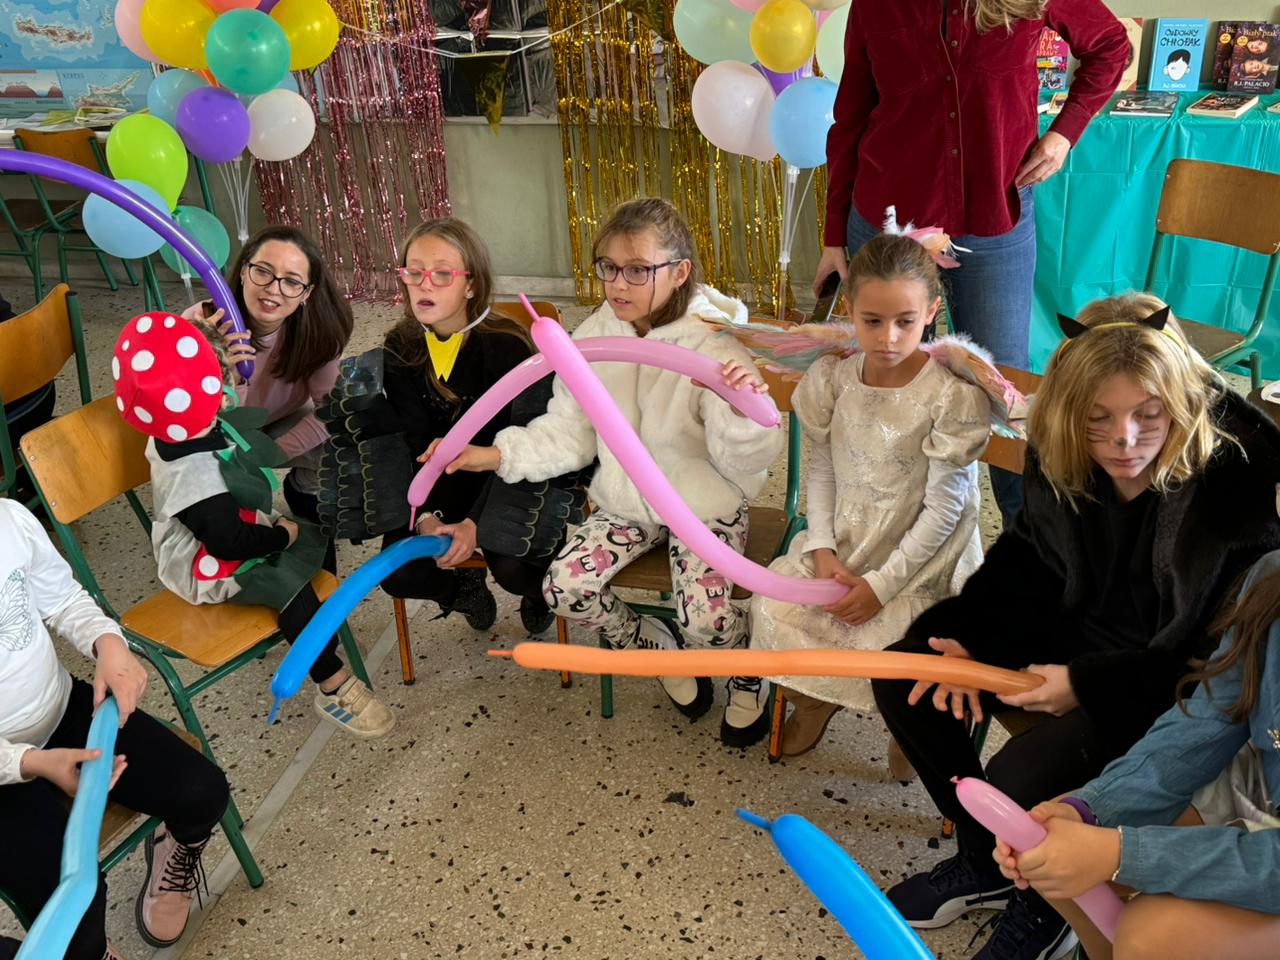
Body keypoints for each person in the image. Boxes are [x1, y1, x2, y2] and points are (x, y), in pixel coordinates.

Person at [870, 294, 1280, 960]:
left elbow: (1212, 662)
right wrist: (974, 636)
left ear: (1177, 402)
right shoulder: (1061, 442)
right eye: (1098, 419)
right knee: (908, 678)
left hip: (1162, 675)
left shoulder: (1239, 473)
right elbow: (1029, 557)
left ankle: (1045, 907)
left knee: (1018, 779)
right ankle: (986, 860)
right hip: (1076, 639)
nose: (1123, 441)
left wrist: (1087, 686)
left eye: (1148, 416)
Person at [428, 198, 785, 747]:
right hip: (627, 503)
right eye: (608, 267)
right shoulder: (593, 336)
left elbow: (751, 457)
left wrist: (739, 407)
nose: (618, 283)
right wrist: (494, 455)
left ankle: (747, 664)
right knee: (564, 588)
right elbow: (570, 432)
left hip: (702, 505)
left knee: (707, 625)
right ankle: (652, 647)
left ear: (680, 272)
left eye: (638, 269)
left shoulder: (715, 340)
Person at [816, 0, 1128, 525]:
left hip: (994, 215)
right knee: (891, 388)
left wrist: (1063, 134)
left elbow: (1110, 46)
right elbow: (851, 118)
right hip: (891, 220)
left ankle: (1031, 542)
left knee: (1005, 391)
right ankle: (893, 534)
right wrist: (832, 235)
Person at [748, 231, 1003, 759]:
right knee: (772, 609)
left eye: (905, 322)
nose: (888, 338)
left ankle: (904, 720)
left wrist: (882, 586)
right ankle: (816, 700)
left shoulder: (951, 397)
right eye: (872, 321)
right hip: (849, 537)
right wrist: (822, 547)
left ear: (931, 312)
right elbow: (823, 469)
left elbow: (945, 509)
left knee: (910, 642)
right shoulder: (833, 378)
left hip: (923, 558)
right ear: (849, 310)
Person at [994, 534, 1280, 960]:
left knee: (1151, 936)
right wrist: (1088, 810)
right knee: (1052, 846)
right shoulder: (1270, 577)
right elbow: (1208, 720)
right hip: (1258, 787)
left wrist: (1121, 853)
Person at [112, 311, 393, 739]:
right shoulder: (193, 476)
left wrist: (217, 350)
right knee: (288, 583)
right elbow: (229, 542)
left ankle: (318, 630)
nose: (227, 394)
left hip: (230, 519)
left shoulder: (175, 421)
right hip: (206, 557)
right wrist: (280, 535)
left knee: (311, 543)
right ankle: (331, 681)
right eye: (220, 384)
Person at [0, 498, 230, 955]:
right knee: (73, 913)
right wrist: (30, 763)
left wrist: (107, 643)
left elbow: (63, 600)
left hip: (62, 711)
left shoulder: (8, 519)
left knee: (203, 792)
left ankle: (172, 853)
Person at [372, 217, 587, 634]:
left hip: (506, 477)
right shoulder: (400, 347)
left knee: (517, 569)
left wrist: (474, 522)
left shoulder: (508, 346)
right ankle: (462, 590)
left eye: (442, 274)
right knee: (399, 572)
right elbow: (409, 441)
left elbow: (526, 442)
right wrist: (426, 517)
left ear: (471, 285)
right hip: (435, 484)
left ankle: (534, 595)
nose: (425, 285)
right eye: (414, 273)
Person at [183, 225, 354, 573]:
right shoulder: (199, 326)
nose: (274, 289)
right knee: (224, 523)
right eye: (263, 271)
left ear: (307, 293)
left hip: (273, 420)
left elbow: (331, 410)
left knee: (340, 443)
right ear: (243, 270)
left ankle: (304, 498)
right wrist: (230, 376)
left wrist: (274, 453)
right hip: (210, 432)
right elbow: (197, 424)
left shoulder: (317, 331)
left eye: (291, 281)